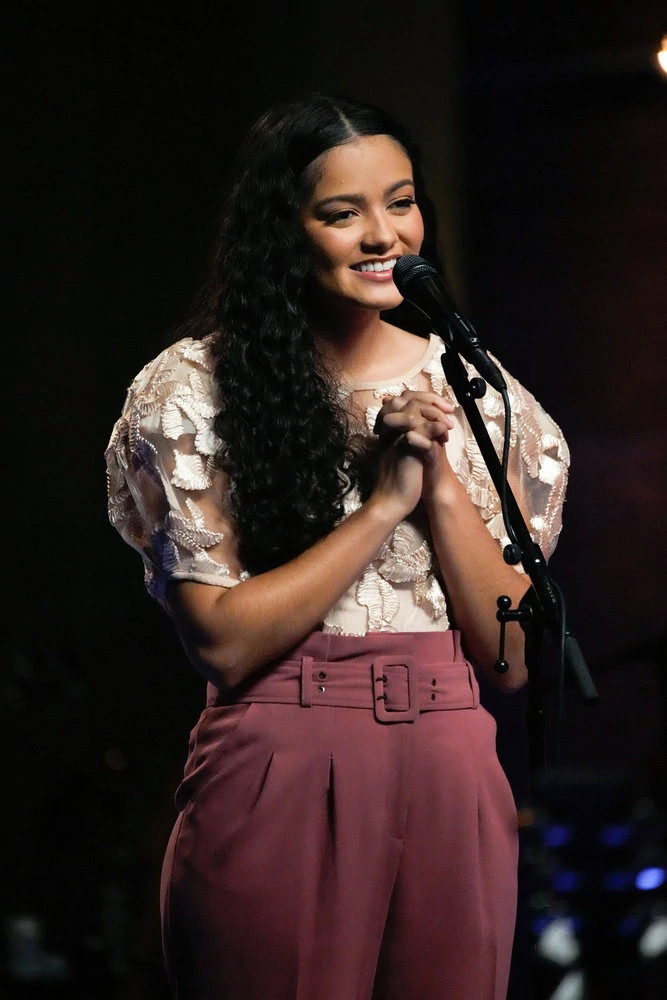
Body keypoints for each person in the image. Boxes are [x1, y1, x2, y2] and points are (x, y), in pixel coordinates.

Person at [105, 93, 569, 1000]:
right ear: (285, 230)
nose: (380, 234)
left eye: (399, 202)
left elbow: (510, 658)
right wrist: (380, 504)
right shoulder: (196, 387)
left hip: (450, 755)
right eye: (340, 212)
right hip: (284, 747)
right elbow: (224, 641)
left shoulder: (479, 392)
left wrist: (435, 483)